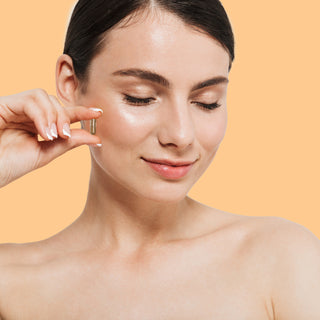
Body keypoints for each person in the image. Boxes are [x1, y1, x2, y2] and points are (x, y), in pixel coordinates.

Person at [0, 0, 319, 318]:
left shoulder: (282, 259)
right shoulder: (10, 281)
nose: (181, 135)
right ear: (70, 84)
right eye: (140, 97)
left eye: (207, 102)